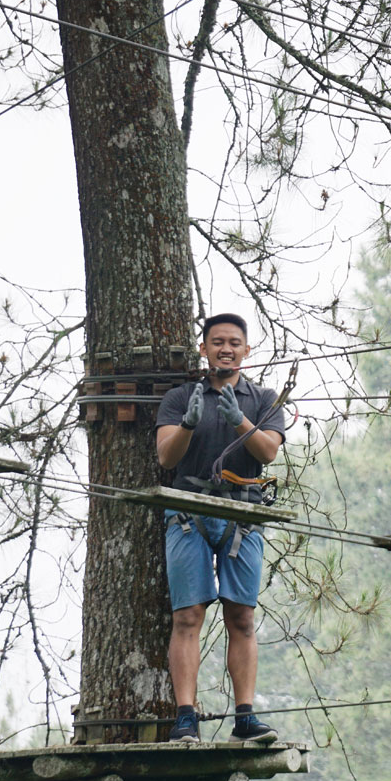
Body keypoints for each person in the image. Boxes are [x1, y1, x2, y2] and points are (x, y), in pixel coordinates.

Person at [155, 313, 286, 742]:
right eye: (217, 342)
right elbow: (166, 460)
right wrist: (189, 423)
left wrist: (240, 420)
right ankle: (186, 717)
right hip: (187, 513)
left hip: (242, 517)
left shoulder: (263, 399)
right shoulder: (179, 399)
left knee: (242, 616)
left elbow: (267, 452)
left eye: (234, 342)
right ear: (204, 349)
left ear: (246, 350)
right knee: (188, 615)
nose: (225, 349)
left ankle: (245, 717)